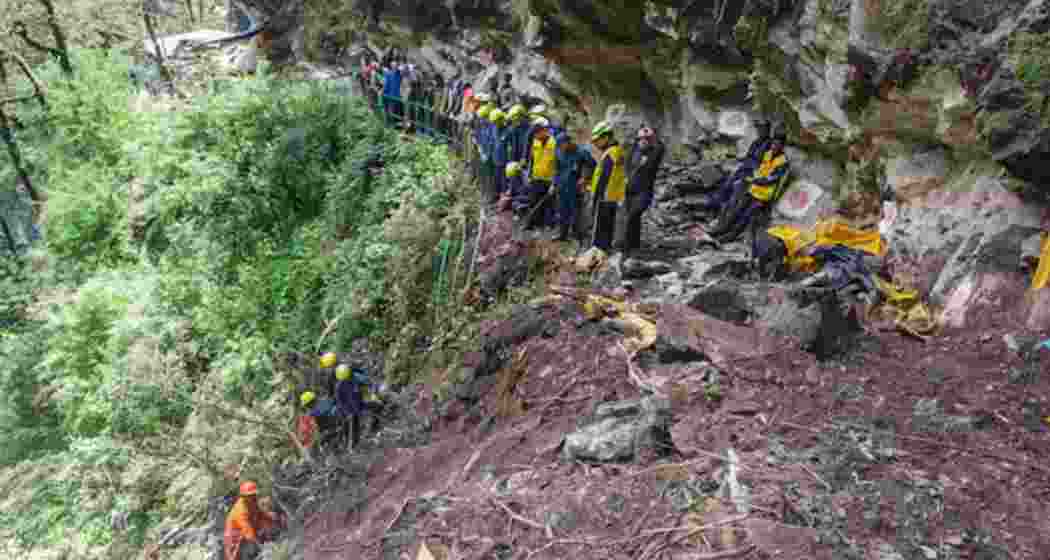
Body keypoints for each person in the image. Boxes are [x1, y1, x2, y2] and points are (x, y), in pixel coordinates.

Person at [710, 130, 791, 243]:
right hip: (753, 189)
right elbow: (758, 169)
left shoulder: (783, 162)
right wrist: (753, 176)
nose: (774, 147)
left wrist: (756, 179)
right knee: (736, 211)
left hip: (763, 197)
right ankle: (719, 230)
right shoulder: (767, 154)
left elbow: (772, 179)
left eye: (777, 145)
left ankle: (727, 238)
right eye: (773, 144)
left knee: (745, 219)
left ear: (782, 146)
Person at [700, 119, 772, 213]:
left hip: (753, 170)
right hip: (745, 167)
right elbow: (748, 156)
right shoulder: (757, 142)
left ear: (766, 130)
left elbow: (763, 162)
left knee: (732, 181)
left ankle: (717, 203)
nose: (759, 131)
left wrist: (753, 170)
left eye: (761, 129)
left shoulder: (769, 144)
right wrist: (735, 157)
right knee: (727, 179)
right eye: (758, 129)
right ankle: (716, 201)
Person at [622, 126, 665, 251]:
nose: (643, 141)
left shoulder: (654, 152)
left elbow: (661, 147)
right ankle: (634, 246)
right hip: (630, 190)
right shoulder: (633, 151)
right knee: (633, 219)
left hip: (644, 191)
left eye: (647, 139)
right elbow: (627, 165)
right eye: (641, 139)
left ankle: (627, 246)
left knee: (633, 215)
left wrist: (652, 136)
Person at [587, 121, 627, 250]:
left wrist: (596, 197)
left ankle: (598, 252)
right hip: (614, 196)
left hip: (604, 196)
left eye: (597, 141)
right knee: (608, 227)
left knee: (600, 229)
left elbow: (604, 178)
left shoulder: (610, 153)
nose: (596, 144)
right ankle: (606, 249)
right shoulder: (617, 150)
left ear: (606, 137)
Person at [553, 132, 596, 241]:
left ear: (568, 142)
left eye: (562, 144)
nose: (561, 147)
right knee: (562, 211)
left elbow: (592, 164)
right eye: (559, 145)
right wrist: (554, 184)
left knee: (576, 211)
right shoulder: (559, 152)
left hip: (575, 187)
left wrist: (585, 178)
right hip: (562, 186)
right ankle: (562, 234)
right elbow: (557, 169)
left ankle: (577, 235)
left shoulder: (581, 152)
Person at [224, 481, 282, 560]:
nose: (254, 497)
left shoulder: (252, 502)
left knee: (262, 528)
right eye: (251, 495)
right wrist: (261, 547)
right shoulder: (240, 511)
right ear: (244, 497)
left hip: (246, 531)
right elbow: (248, 532)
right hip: (234, 537)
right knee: (234, 557)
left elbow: (260, 514)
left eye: (254, 494)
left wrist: (273, 518)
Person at [334, 364, 383, 450]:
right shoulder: (339, 388)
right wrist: (347, 412)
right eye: (346, 379)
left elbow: (370, 383)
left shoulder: (355, 377)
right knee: (352, 430)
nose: (348, 379)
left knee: (377, 407)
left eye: (349, 376)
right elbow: (340, 403)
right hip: (351, 410)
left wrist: (373, 393)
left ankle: (375, 428)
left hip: (361, 404)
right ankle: (352, 447)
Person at [522, 119, 558, 230]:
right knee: (534, 201)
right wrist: (529, 175)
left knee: (549, 204)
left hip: (549, 178)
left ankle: (549, 224)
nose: (536, 136)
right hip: (536, 177)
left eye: (537, 133)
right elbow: (532, 159)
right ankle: (532, 223)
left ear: (544, 131)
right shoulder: (535, 142)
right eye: (535, 134)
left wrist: (554, 183)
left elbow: (558, 164)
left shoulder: (554, 144)